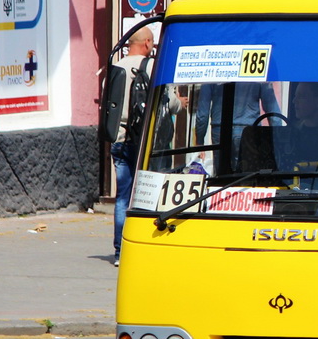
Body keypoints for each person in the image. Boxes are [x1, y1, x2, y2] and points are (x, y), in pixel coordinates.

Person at [111, 26, 185, 266]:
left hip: (120, 139)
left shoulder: (115, 68)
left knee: (123, 196)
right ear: (147, 43)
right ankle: (146, 247)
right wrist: (180, 102)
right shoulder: (154, 67)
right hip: (147, 144)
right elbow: (171, 104)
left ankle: (120, 252)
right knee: (151, 194)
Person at [194, 81, 282, 161]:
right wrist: (277, 140)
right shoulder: (258, 73)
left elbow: (202, 114)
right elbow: (272, 111)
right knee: (247, 173)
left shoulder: (215, 69)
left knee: (221, 174)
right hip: (249, 130)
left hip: (220, 130)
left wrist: (200, 141)